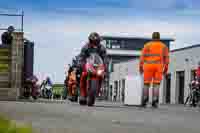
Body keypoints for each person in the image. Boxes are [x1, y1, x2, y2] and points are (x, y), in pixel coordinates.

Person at [139, 32, 169, 108]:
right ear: (159, 38)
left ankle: (145, 101)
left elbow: (142, 57)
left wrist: (140, 67)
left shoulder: (147, 45)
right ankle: (155, 101)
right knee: (156, 84)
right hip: (159, 66)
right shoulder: (163, 46)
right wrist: (166, 68)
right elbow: (166, 59)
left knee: (146, 84)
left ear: (152, 37)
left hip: (148, 66)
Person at [79, 32, 107, 103]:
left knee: (101, 76)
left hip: (98, 66)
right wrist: (81, 64)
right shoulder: (85, 47)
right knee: (83, 75)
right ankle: (83, 94)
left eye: (96, 42)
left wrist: (105, 67)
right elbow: (81, 57)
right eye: (93, 41)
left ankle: (97, 91)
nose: (95, 43)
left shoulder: (102, 48)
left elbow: (105, 58)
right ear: (90, 41)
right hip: (88, 65)